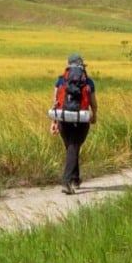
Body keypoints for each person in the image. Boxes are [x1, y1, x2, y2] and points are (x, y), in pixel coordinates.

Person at [49, 53, 98, 195]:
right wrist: (94, 116)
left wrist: (54, 121)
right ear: (82, 66)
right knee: (74, 147)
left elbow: (55, 103)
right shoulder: (88, 82)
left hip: (63, 118)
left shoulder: (60, 81)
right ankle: (66, 182)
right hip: (82, 119)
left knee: (71, 147)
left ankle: (75, 179)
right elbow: (93, 103)